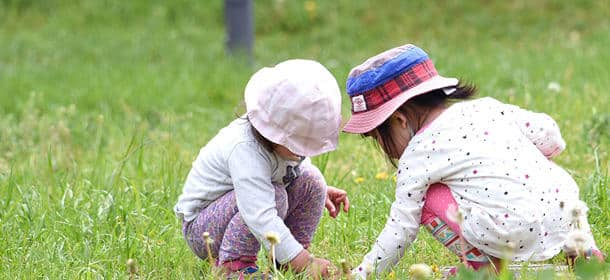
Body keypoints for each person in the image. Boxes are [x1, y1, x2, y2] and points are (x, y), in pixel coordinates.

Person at [342, 44, 604, 278]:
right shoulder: (486, 107)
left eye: (377, 136)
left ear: (399, 120)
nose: (383, 148)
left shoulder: (417, 156)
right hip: (564, 213)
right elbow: (551, 137)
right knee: (544, 171)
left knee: (427, 199)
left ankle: (482, 267)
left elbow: (401, 228)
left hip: (513, 230)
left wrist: (362, 274)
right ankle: (584, 247)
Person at [174, 59, 350, 279]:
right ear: (274, 134)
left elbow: (292, 167)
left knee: (312, 180)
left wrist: (317, 191)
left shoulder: (278, 143)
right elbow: (259, 214)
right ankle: (234, 266)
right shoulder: (245, 149)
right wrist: (307, 264)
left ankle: (287, 257)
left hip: (239, 207)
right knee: (274, 196)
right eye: (298, 146)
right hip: (203, 230)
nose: (302, 153)